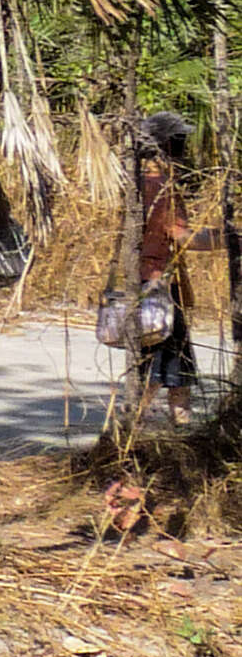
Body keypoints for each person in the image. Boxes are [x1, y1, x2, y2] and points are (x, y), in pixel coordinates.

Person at [135, 113, 196, 426]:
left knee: (170, 366)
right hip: (161, 287)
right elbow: (180, 234)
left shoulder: (137, 182)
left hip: (145, 282)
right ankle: (132, 427)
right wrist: (227, 238)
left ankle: (181, 428)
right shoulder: (162, 187)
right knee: (162, 367)